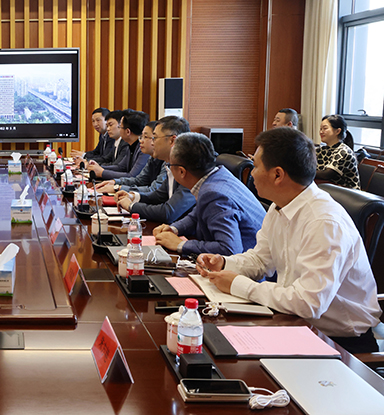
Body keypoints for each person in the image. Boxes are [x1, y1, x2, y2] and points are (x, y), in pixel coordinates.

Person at [196, 128, 381, 353]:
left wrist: (238, 284)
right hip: (293, 320)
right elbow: (261, 260)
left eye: (255, 166)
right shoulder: (280, 205)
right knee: (211, 342)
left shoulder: (324, 222)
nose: (252, 173)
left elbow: (308, 303)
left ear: (278, 175)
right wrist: (225, 263)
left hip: (339, 341)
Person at [153, 133, 265, 256]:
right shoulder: (219, 174)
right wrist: (174, 229)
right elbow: (197, 214)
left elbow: (230, 249)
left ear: (181, 171)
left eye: (170, 165)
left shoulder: (214, 195)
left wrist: (181, 244)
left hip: (252, 264)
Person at [115, 115, 195, 223]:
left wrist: (131, 206)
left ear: (172, 140)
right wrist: (133, 196)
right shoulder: (170, 165)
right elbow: (158, 196)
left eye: (155, 138)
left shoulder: (189, 169)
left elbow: (168, 213)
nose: (152, 143)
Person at [95, 121, 164, 194]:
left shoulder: (166, 162)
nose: (141, 140)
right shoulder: (151, 158)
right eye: (141, 136)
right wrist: (114, 182)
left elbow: (153, 190)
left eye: (146, 137)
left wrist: (117, 187)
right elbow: (139, 180)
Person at [88, 111, 149, 180]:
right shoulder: (131, 146)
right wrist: (97, 167)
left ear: (128, 131)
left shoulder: (143, 149)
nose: (119, 130)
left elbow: (132, 176)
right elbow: (121, 167)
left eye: (120, 127)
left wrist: (102, 172)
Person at [316, 114, 360, 190]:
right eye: (320, 129)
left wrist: (303, 172)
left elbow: (327, 174)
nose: (321, 132)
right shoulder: (320, 150)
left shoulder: (344, 151)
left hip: (347, 193)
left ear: (337, 131)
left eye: (325, 128)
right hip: (327, 189)